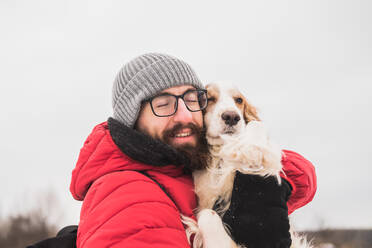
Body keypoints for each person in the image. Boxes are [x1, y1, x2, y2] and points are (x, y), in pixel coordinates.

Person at [28, 53, 316, 248]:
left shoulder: (183, 164)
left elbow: (304, 180)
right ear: (133, 119)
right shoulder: (124, 189)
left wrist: (257, 166)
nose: (183, 115)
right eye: (163, 104)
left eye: (191, 100)